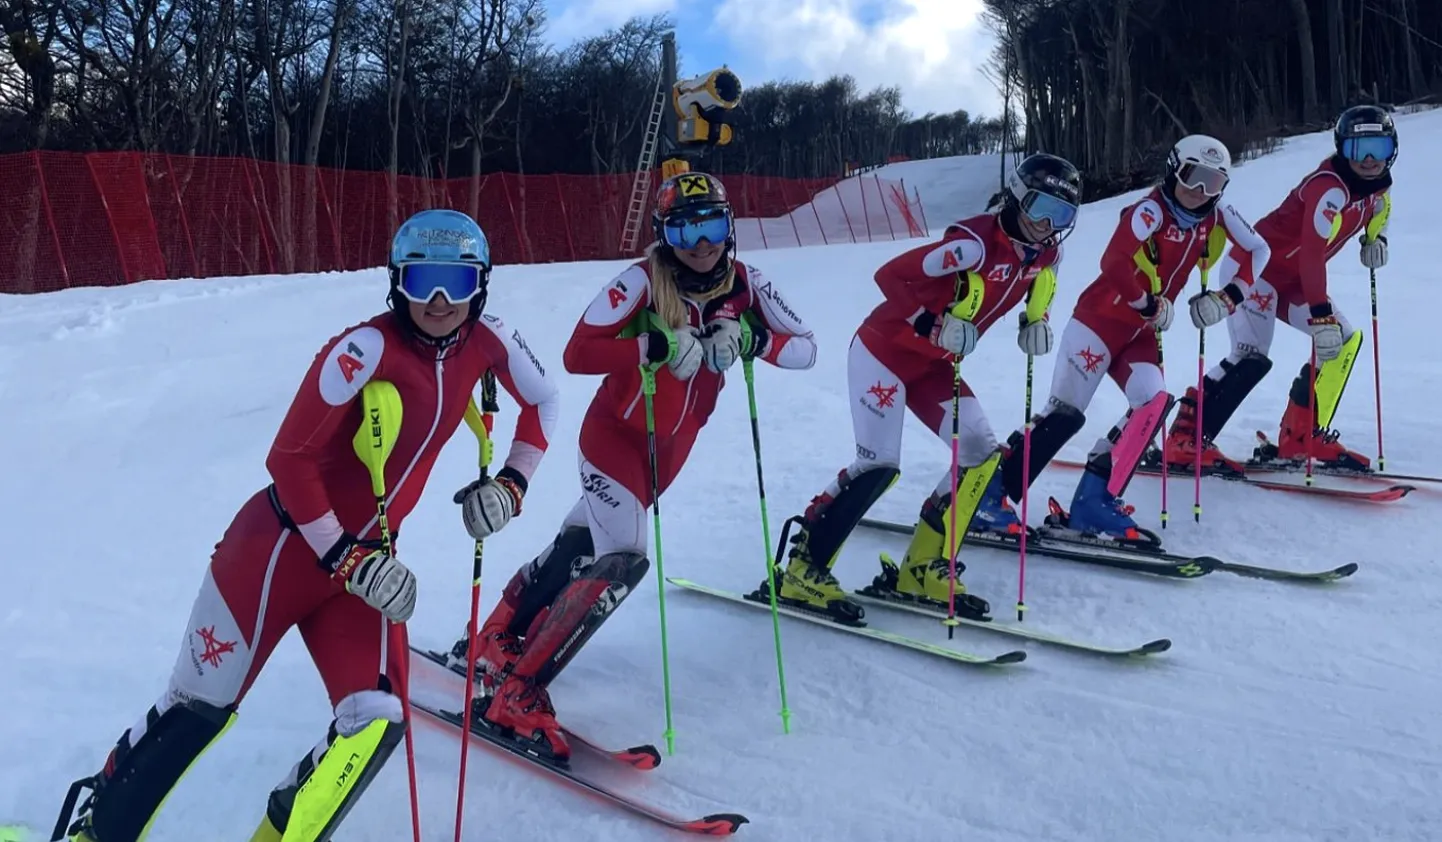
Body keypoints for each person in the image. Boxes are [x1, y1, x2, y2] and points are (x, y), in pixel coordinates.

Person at [52, 209, 558, 842]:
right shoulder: (365, 349)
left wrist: (512, 483)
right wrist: (350, 559)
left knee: (374, 722)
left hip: (362, 572)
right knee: (195, 711)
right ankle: (92, 834)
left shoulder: (490, 340)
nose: (436, 299)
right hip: (275, 555)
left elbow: (544, 399)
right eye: (421, 279)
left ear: (480, 285)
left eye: (455, 283)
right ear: (396, 281)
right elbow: (288, 461)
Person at [445, 171, 817, 764]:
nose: (701, 242)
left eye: (712, 225)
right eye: (684, 227)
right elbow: (577, 352)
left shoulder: (748, 285)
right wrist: (653, 346)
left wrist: (750, 339)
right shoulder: (639, 282)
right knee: (625, 559)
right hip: (614, 440)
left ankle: (496, 638)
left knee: (582, 538)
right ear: (664, 234)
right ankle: (517, 693)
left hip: (667, 455)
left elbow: (806, 347)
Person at [758, 153, 1081, 625]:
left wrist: (1036, 321)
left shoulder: (1047, 252)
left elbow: (1037, 288)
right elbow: (889, 276)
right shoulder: (971, 246)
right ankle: (803, 569)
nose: (1046, 224)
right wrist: (930, 322)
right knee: (879, 464)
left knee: (981, 451)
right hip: (882, 355)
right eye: (1039, 207)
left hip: (934, 367)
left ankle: (923, 565)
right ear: (1015, 196)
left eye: (1062, 215)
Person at [992, 135, 1270, 543]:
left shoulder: (1217, 214)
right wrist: (1147, 303)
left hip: (1141, 334)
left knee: (1152, 404)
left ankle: (1093, 502)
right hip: (1099, 322)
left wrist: (1230, 297)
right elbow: (1113, 261)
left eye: (1214, 182)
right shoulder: (1150, 211)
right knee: (1064, 415)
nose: (1200, 192)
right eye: (1194, 178)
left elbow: (1259, 249)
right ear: (1175, 169)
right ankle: (991, 494)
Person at [1163, 105, 1396, 471]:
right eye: (1357, 150)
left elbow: (1380, 207)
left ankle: (1301, 435)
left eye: (1378, 150)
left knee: (1344, 341)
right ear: (1341, 149)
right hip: (1257, 272)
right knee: (1251, 354)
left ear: (1392, 150)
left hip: (1295, 282)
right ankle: (1184, 437)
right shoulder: (1328, 189)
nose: (1368, 160)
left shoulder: (1375, 190)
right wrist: (1320, 316)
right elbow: (1312, 256)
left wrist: (1376, 238)